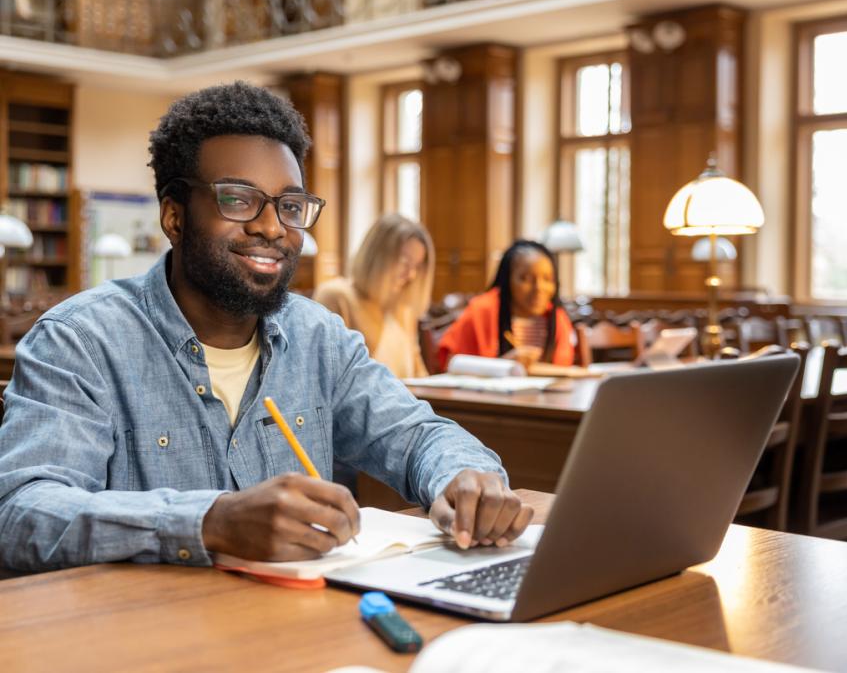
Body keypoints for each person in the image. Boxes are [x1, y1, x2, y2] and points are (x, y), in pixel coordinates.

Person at [0, 81, 532, 572]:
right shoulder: (80, 341)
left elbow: (417, 435)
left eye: (290, 204)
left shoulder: (319, 337)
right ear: (174, 217)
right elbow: (23, 513)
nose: (273, 226)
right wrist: (210, 522)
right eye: (238, 198)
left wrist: (463, 478)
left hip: (298, 626)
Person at [314, 215, 432, 379]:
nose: (411, 275)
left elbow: (419, 374)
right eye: (404, 262)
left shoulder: (403, 308)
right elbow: (325, 374)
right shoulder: (337, 297)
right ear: (377, 257)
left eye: (417, 266)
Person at [437, 240, 575, 372]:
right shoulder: (481, 311)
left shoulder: (558, 318)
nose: (538, 288)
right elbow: (450, 362)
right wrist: (502, 365)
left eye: (547, 279)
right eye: (525, 278)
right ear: (507, 279)